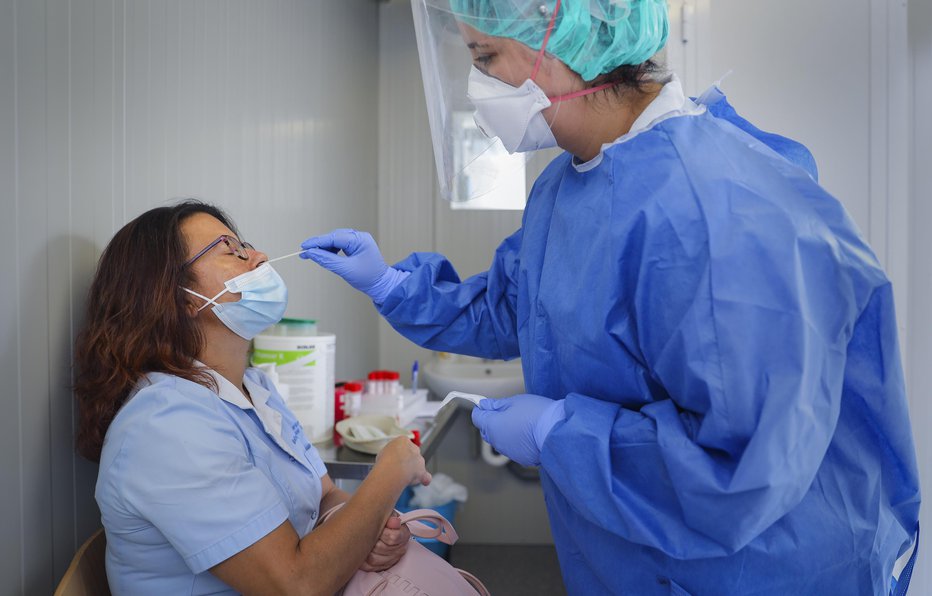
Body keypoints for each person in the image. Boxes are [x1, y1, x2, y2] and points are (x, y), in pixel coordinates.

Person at [299, 1, 920, 594]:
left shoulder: (714, 212)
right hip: (628, 560)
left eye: (485, 58)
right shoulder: (569, 184)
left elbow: (741, 469)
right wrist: (391, 285)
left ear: (565, 43)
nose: (475, 84)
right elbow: (517, 309)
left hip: (754, 570)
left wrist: (560, 432)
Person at [74, 200, 432, 595]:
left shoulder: (254, 387)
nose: (258, 257)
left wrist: (366, 529)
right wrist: (390, 474)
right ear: (181, 297)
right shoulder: (166, 424)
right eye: (231, 249)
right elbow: (295, 585)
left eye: (246, 245)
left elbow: (325, 493)